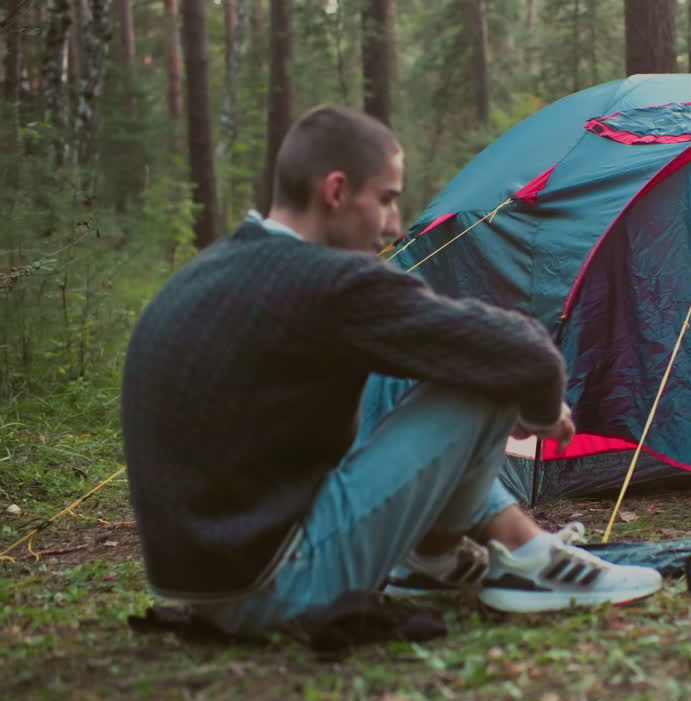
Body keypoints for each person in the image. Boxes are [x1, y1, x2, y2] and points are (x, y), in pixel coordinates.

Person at [121, 105, 662, 638]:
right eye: (385, 200)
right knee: (484, 374)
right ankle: (525, 560)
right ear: (335, 191)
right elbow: (521, 352)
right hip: (279, 584)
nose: (394, 224)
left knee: (423, 356)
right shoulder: (330, 281)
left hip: (209, 581)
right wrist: (543, 410)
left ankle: (445, 559)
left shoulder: (211, 272)